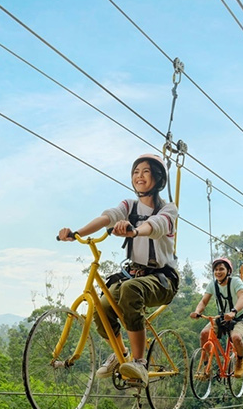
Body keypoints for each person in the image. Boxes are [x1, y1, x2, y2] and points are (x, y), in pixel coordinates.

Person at [57, 154, 179, 387]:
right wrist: (77, 234)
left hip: (162, 279)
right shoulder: (128, 206)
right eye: (135, 172)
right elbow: (107, 218)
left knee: (131, 290)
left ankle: (140, 362)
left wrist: (134, 231)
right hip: (133, 273)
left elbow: (156, 226)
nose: (139, 176)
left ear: (158, 177)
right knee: (101, 308)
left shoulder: (169, 209)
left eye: (145, 171)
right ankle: (122, 355)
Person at [189, 257, 243, 378]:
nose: (218, 272)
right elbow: (204, 301)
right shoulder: (213, 285)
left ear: (228, 271)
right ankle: (206, 366)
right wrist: (197, 311)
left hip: (238, 318)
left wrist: (233, 312)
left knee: (236, 338)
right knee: (204, 334)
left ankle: (240, 361)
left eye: (221, 269)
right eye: (216, 269)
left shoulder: (236, 282)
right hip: (221, 318)